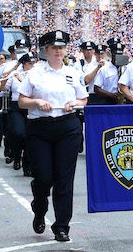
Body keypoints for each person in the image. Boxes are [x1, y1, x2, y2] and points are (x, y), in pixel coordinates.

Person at [18, 30, 88, 242]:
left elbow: (83, 99)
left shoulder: (73, 72)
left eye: (61, 47)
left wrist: (73, 103)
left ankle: (61, 226)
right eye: (54, 48)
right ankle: (39, 208)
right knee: (44, 177)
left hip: (67, 127)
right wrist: (37, 102)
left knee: (64, 178)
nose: (59, 51)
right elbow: (22, 101)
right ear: (45, 50)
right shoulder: (35, 73)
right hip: (40, 128)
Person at [6, 52, 37, 175]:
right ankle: (17, 156)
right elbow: (3, 87)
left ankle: (27, 163)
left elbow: (35, 91)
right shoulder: (15, 74)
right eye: (30, 63)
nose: (32, 65)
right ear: (24, 64)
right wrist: (8, 76)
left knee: (30, 136)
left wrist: (22, 79)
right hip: (16, 107)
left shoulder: (35, 75)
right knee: (19, 133)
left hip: (30, 107)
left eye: (34, 63)